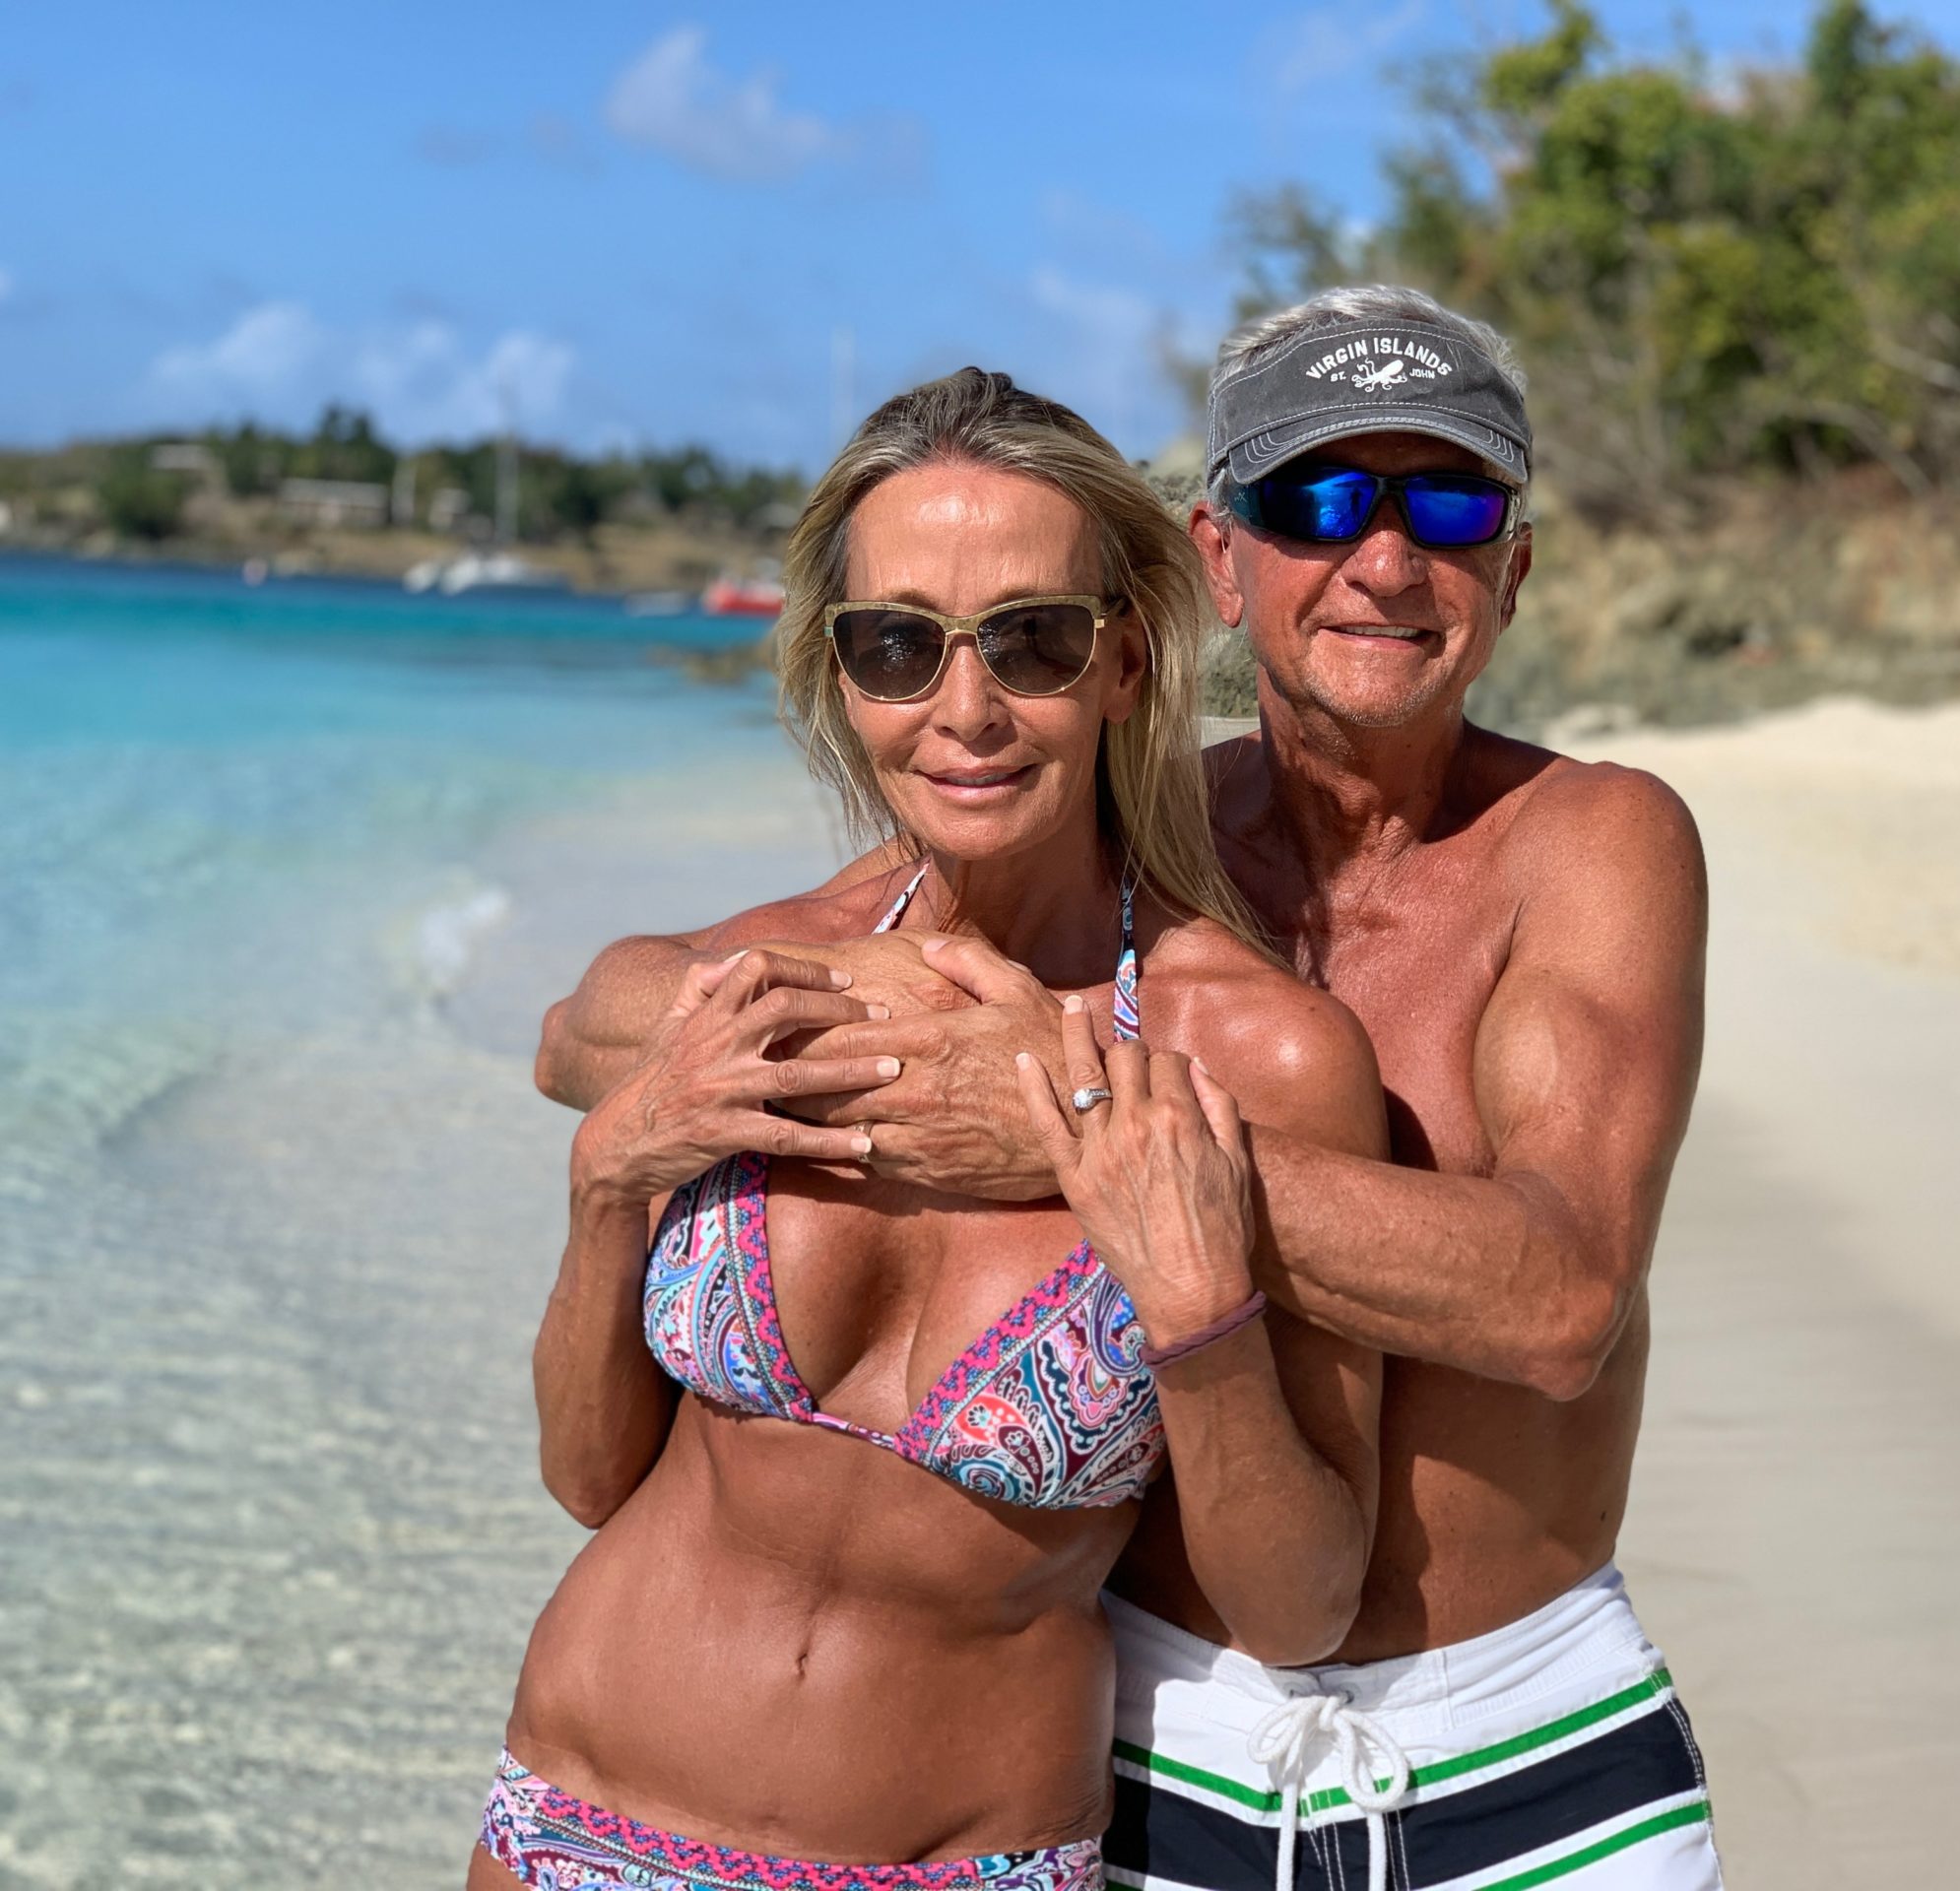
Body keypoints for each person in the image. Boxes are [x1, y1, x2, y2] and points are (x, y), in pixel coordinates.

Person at [542, 289, 1720, 1890]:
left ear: (1514, 563)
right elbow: (611, 1022)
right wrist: (813, 1084)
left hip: (1515, 1739)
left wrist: (1055, 1123)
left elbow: (1562, 1299)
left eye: (1447, 503)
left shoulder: (1590, 844)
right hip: (1158, 1753)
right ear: (1221, 559)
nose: (1385, 559)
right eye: (1318, 501)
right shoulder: (1096, 821)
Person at [474, 367, 1391, 1891]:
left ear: (1125, 659)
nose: (964, 712)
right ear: (842, 677)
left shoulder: (1256, 1056)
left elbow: (1301, 1611)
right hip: (573, 1820)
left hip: (960, 1863)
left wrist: (1202, 1316)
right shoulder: (762, 982)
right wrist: (602, 1183)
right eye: (899, 645)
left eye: (1031, 641)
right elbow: (587, 1480)